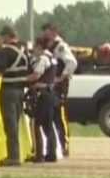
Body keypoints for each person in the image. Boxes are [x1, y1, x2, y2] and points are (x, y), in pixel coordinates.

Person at [0, 26, 30, 166]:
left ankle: (13, 157)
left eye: (3, 37)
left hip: (8, 92)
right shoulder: (24, 52)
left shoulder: (5, 51)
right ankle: (16, 154)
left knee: (10, 126)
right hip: (21, 91)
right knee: (15, 124)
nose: (2, 39)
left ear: (8, 36)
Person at [42, 23, 77, 157]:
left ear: (53, 31)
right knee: (50, 116)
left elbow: (72, 62)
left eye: (47, 31)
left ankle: (65, 145)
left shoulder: (60, 46)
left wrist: (61, 77)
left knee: (60, 116)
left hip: (59, 86)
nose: (45, 34)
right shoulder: (47, 45)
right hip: (49, 85)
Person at [27, 37, 59, 163]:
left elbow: (36, 75)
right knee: (48, 125)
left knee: (36, 124)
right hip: (50, 94)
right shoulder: (52, 58)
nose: (34, 50)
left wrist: (23, 79)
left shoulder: (43, 59)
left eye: (35, 47)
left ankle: (39, 155)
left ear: (40, 46)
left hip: (43, 95)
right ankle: (51, 154)